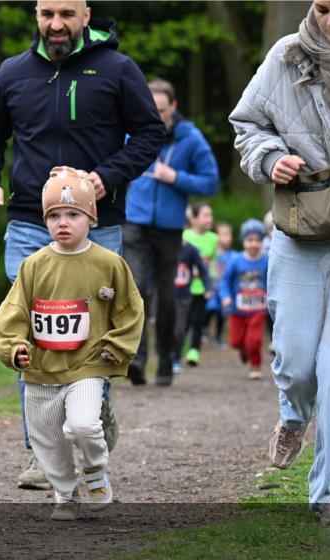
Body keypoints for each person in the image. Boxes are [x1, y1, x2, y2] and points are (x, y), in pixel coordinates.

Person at [0, 0, 165, 489]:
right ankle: (41, 450)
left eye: (66, 14)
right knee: (34, 330)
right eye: (45, 14)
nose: (55, 24)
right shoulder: (14, 72)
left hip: (99, 223)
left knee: (92, 325)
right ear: (35, 16)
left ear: (85, 14)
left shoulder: (117, 69)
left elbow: (148, 134)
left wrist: (106, 177)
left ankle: (93, 404)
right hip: (29, 221)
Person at [230, 0, 330, 523]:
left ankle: (328, 492)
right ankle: (294, 417)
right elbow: (247, 125)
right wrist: (271, 158)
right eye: (322, 8)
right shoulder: (286, 57)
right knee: (297, 363)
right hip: (300, 230)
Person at [0, 167, 143, 519]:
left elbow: (131, 309)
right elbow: (12, 314)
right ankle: (65, 493)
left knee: (83, 425)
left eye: (73, 214)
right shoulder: (34, 265)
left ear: (91, 217)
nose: (63, 222)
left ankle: (94, 469)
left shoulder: (109, 263)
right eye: (54, 215)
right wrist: (14, 347)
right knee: (48, 439)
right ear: (44, 221)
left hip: (88, 364)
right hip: (42, 369)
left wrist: (117, 346)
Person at [123, 79, 221, 386]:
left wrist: (176, 177)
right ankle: (137, 360)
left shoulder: (190, 139)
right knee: (136, 288)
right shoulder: (130, 132)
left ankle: (165, 359)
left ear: (174, 107)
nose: (155, 115)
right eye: (151, 109)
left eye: (162, 110)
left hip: (169, 229)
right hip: (134, 223)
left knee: (166, 297)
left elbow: (211, 182)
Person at [217, 221, 269, 380]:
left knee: (254, 340)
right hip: (237, 309)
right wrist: (225, 297)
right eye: (250, 240)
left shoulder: (267, 261)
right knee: (236, 341)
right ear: (243, 241)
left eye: (258, 240)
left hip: (258, 309)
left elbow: (273, 282)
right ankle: (243, 349)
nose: (254, 244)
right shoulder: (236, 260)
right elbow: (224, 281)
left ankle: (255, 365)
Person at [178, 202, 218, 368]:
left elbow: (213, 264)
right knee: (184, 321)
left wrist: (212, 285)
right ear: (193, 218)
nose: (210, 219)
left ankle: (194, 351)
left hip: (202, 289)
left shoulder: (213, 239)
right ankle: (177, 352)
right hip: (184, 288)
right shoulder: (184, 236)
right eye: (205, 215)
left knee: (198, 321)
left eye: (211, 215)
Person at [172, 240, 213, 375]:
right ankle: (166, 358)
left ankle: (175, 359)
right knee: (166, 327)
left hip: (184, 296)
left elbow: (202, 269)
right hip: (166, 296)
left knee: (180, 328)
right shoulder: (163, 246)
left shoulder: (191, 250)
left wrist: (207, 287)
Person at [205, 223, 237, 347]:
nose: (228, 238)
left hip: (225, 291)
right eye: (224, 234)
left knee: (222, 314)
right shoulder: (212, 254)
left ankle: (218, 337)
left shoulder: (233, 256)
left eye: (229, 235)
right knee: (211, 308)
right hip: (212, 288)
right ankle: (204, 330)